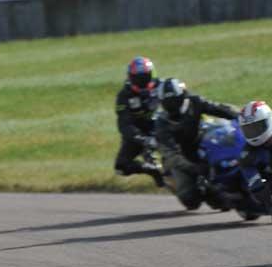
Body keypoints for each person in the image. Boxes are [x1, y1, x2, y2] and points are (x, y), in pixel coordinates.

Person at [155, 78, 239, 209]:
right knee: (191, 200)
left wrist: (241, 116)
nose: (171, 105)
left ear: (183, 96)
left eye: (174, 100)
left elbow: (219, 108)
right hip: (180, 156)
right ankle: (177, 183)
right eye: (167, 102)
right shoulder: (161, 123)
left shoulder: (195, 101)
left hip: (202, 141)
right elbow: (171, 154)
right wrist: (193, 168)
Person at [114, 56, 165, 187]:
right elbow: (124, 125)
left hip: (161, 124)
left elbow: (184, 99)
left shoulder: (162, 85)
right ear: (131, 78)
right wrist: (143, 139)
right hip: (138, 131)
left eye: (146, 77)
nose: (142, 82)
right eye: (138, 79)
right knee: (121, 167)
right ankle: (151, 169)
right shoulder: (124, 96)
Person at [238, 100, 272, 212]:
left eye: (257, 127)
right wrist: (259, 188)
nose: (254, 133)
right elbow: (254, 184)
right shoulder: (248, 153)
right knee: (261, 195)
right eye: (249, 129)